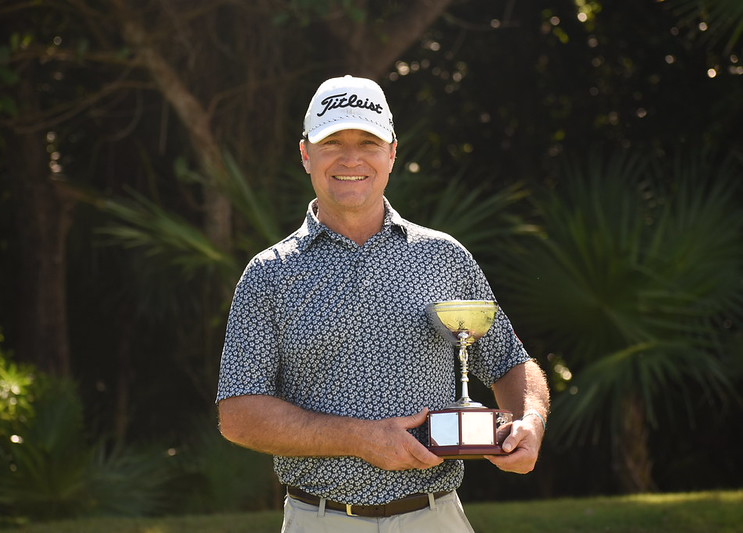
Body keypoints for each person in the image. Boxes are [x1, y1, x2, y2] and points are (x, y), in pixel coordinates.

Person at [216, 75, 549, 532]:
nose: (351, 158)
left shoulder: (444, 256)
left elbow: (509, 360)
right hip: (323, 520)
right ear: (306, 154)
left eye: (368, 142)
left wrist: (529, 420)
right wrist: (360, 438)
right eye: (332, 141)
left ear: (392, 153)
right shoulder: (269, 274)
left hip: (437, 516)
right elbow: (238, 415)